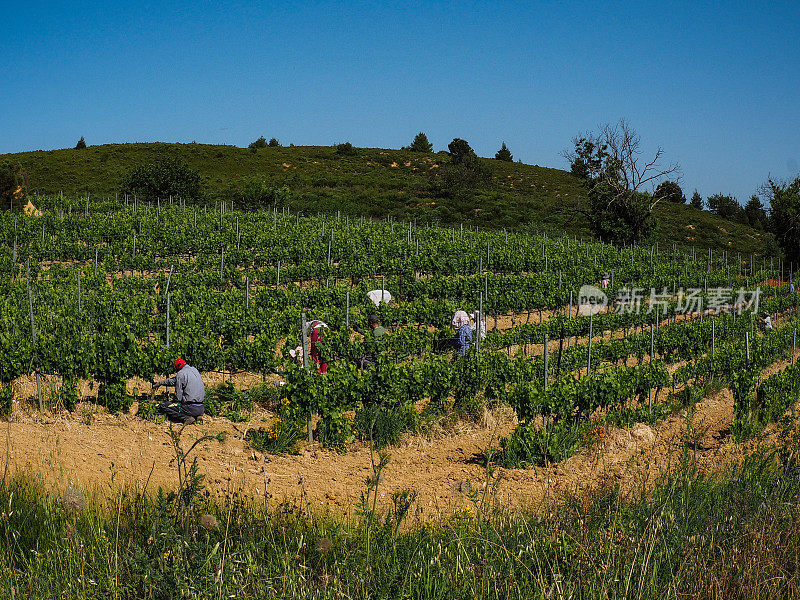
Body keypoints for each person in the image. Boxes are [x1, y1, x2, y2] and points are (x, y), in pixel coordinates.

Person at [154, 358, 205, 424]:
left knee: (164, 405)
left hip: (190, 408)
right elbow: (173, 381)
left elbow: (178, 397)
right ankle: (197, 416)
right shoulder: (194, 370)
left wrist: (172, 401)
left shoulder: (180, 374)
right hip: (201, 408)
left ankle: (186, 418)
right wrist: (160, 383)